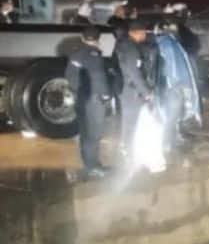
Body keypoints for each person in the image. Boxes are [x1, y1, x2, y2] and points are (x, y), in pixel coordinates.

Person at [65, 25, 112, 178]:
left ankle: (88, 164)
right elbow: (99, 78)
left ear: (82, 38)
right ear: (98, 39)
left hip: (81, 99)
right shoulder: (94, 55)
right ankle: (93, 167)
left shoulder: (76, 54)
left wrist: (77, 93)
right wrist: (106, 96)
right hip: (94, 100)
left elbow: (69, 77)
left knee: (85, 133)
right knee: (94, 134)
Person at [155, 20, 201, 152]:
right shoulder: (169, 44)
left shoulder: (167, 42)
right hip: (175, 86)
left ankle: (172, 140)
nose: (176, 31)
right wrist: (179, 84)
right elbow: (174, 67)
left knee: (174, 114)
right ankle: (166, 143)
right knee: (172, 115)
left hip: (170, 85)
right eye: (173, 29)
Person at [114, 19, 154, 157]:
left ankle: (127, 146)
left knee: (131, 120)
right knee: (131, 120)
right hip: (131, 90)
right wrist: (146, 92)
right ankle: (127, 148)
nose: (145, 35)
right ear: (135, 33)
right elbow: (134, 72)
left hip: (130, 88)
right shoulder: (131, 48)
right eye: (143, 33)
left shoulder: (127, 44)